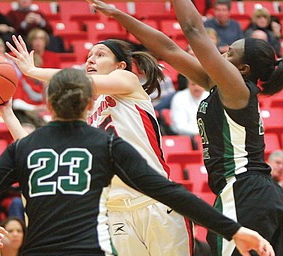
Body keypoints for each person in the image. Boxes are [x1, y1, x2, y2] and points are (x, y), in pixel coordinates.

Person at [0, 68, 275, 256]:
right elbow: (170, 192)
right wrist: (234, 231)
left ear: (48, 103)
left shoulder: (25, 149)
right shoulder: (106, 145)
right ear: (89, 102)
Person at [85, 0, 283, 255]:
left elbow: (193, 29)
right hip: (255, 192)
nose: (221, 54)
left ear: (243, 69)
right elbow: (168, 49)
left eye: (229, 54)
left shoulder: (237, 88)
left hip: (245, 190)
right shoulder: (219, 85)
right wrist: (118, 14)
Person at [5, 34, 203, 256]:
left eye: (99, 55)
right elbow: (39, 149)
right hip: (116, 213)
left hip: (156, 201)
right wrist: (7, 113)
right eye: (89, 56)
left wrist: (32, 71)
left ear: (121, 65)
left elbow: (79, 82)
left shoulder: (128, 81)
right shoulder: (85, 113)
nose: (90, 60)